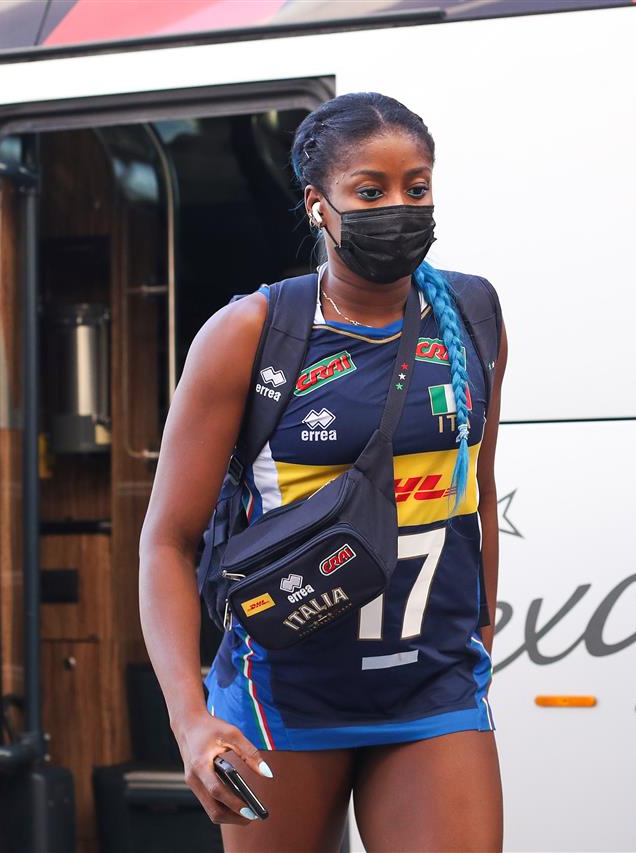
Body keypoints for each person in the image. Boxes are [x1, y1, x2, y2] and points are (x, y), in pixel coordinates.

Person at [139, 92, 507, 852]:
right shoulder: (251, 332)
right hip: (284, 698)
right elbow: (167, 541)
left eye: (416, 187)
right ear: (317, 204)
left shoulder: (473, 313)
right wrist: (190, 719)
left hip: (433, 686)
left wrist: (480, 632)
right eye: (370, 191)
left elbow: (478, 488)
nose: (398, 207)